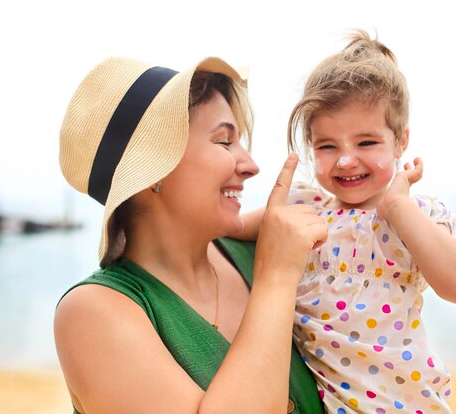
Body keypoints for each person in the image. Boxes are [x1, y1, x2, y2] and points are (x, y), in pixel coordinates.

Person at [54, 56, 328, 413]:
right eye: (224, 141)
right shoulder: (92, 313)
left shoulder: (255, 250)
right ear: (155, 169)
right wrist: (276, 279)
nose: (250, 165)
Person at [236, 30, 456, 413]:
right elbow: (228, 229)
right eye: (327, 146)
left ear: (400, 142)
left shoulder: (417, 216)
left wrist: (398, 207)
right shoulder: (305, 206)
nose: (346, 160)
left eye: (366, 143)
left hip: (406, 403)